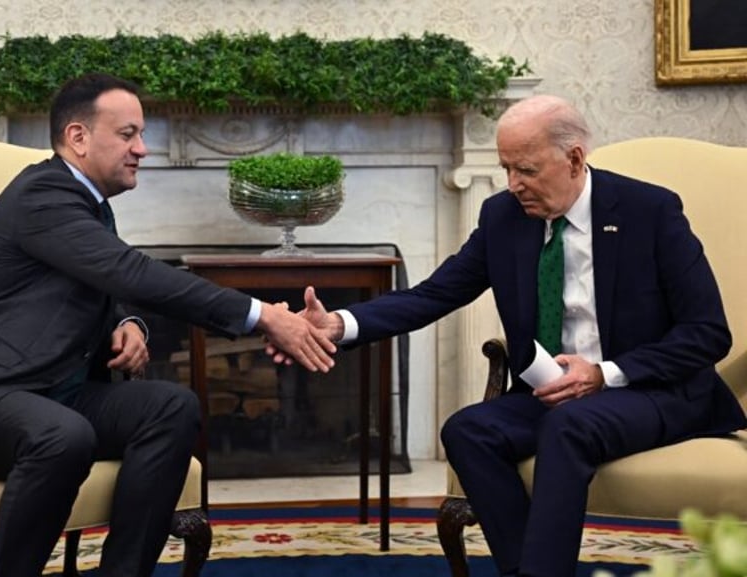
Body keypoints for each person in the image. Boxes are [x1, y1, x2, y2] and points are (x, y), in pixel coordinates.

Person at [288, 94, 747, 577]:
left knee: (568, 427)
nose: (514, 185)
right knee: (468, 430)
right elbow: (433, 294)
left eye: (526, 170)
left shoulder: (648, 211)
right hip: (555, 391)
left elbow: (707, 333)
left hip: (651, 389)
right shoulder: (503, 217)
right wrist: (341, 325)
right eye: (506, 168)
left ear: (573, 159)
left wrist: (603, 374)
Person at [0, 73, 335, 577]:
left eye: (141, 135)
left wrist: (129, 322)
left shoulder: (88, 206)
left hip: (46, 390)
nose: (143, 149)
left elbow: (98, 282)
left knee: (171, 407)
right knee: (63, 436)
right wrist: (264, 316)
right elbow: (129, 271)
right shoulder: (42, 195)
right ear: (79, 138)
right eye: (127, 134)